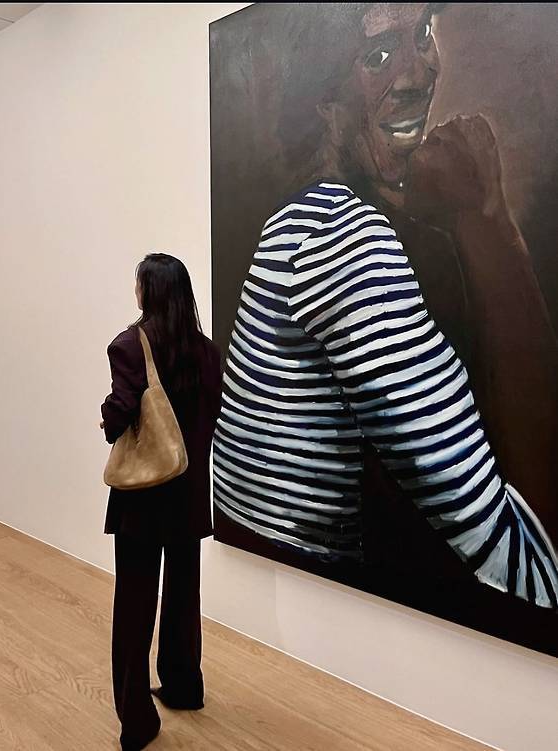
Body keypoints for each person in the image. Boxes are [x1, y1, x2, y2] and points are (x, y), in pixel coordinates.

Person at [272, 2, 558, 542]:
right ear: (326, 106)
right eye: (378, 55)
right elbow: (533, 510)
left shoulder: (360, 221)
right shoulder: (361, 249)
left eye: (424, 33)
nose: (419, 73)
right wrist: (486, 220)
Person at [100, 254, 222, 751]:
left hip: (144, 497)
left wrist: (106, 418)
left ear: (148, 290)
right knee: (183, 595)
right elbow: (210, 416)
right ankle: (184, 686)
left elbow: (121, 410)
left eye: (138, 283)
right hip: (188, 493)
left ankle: (137, 721)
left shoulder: (130, 345)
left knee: (134, 603)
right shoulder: (207, 350)